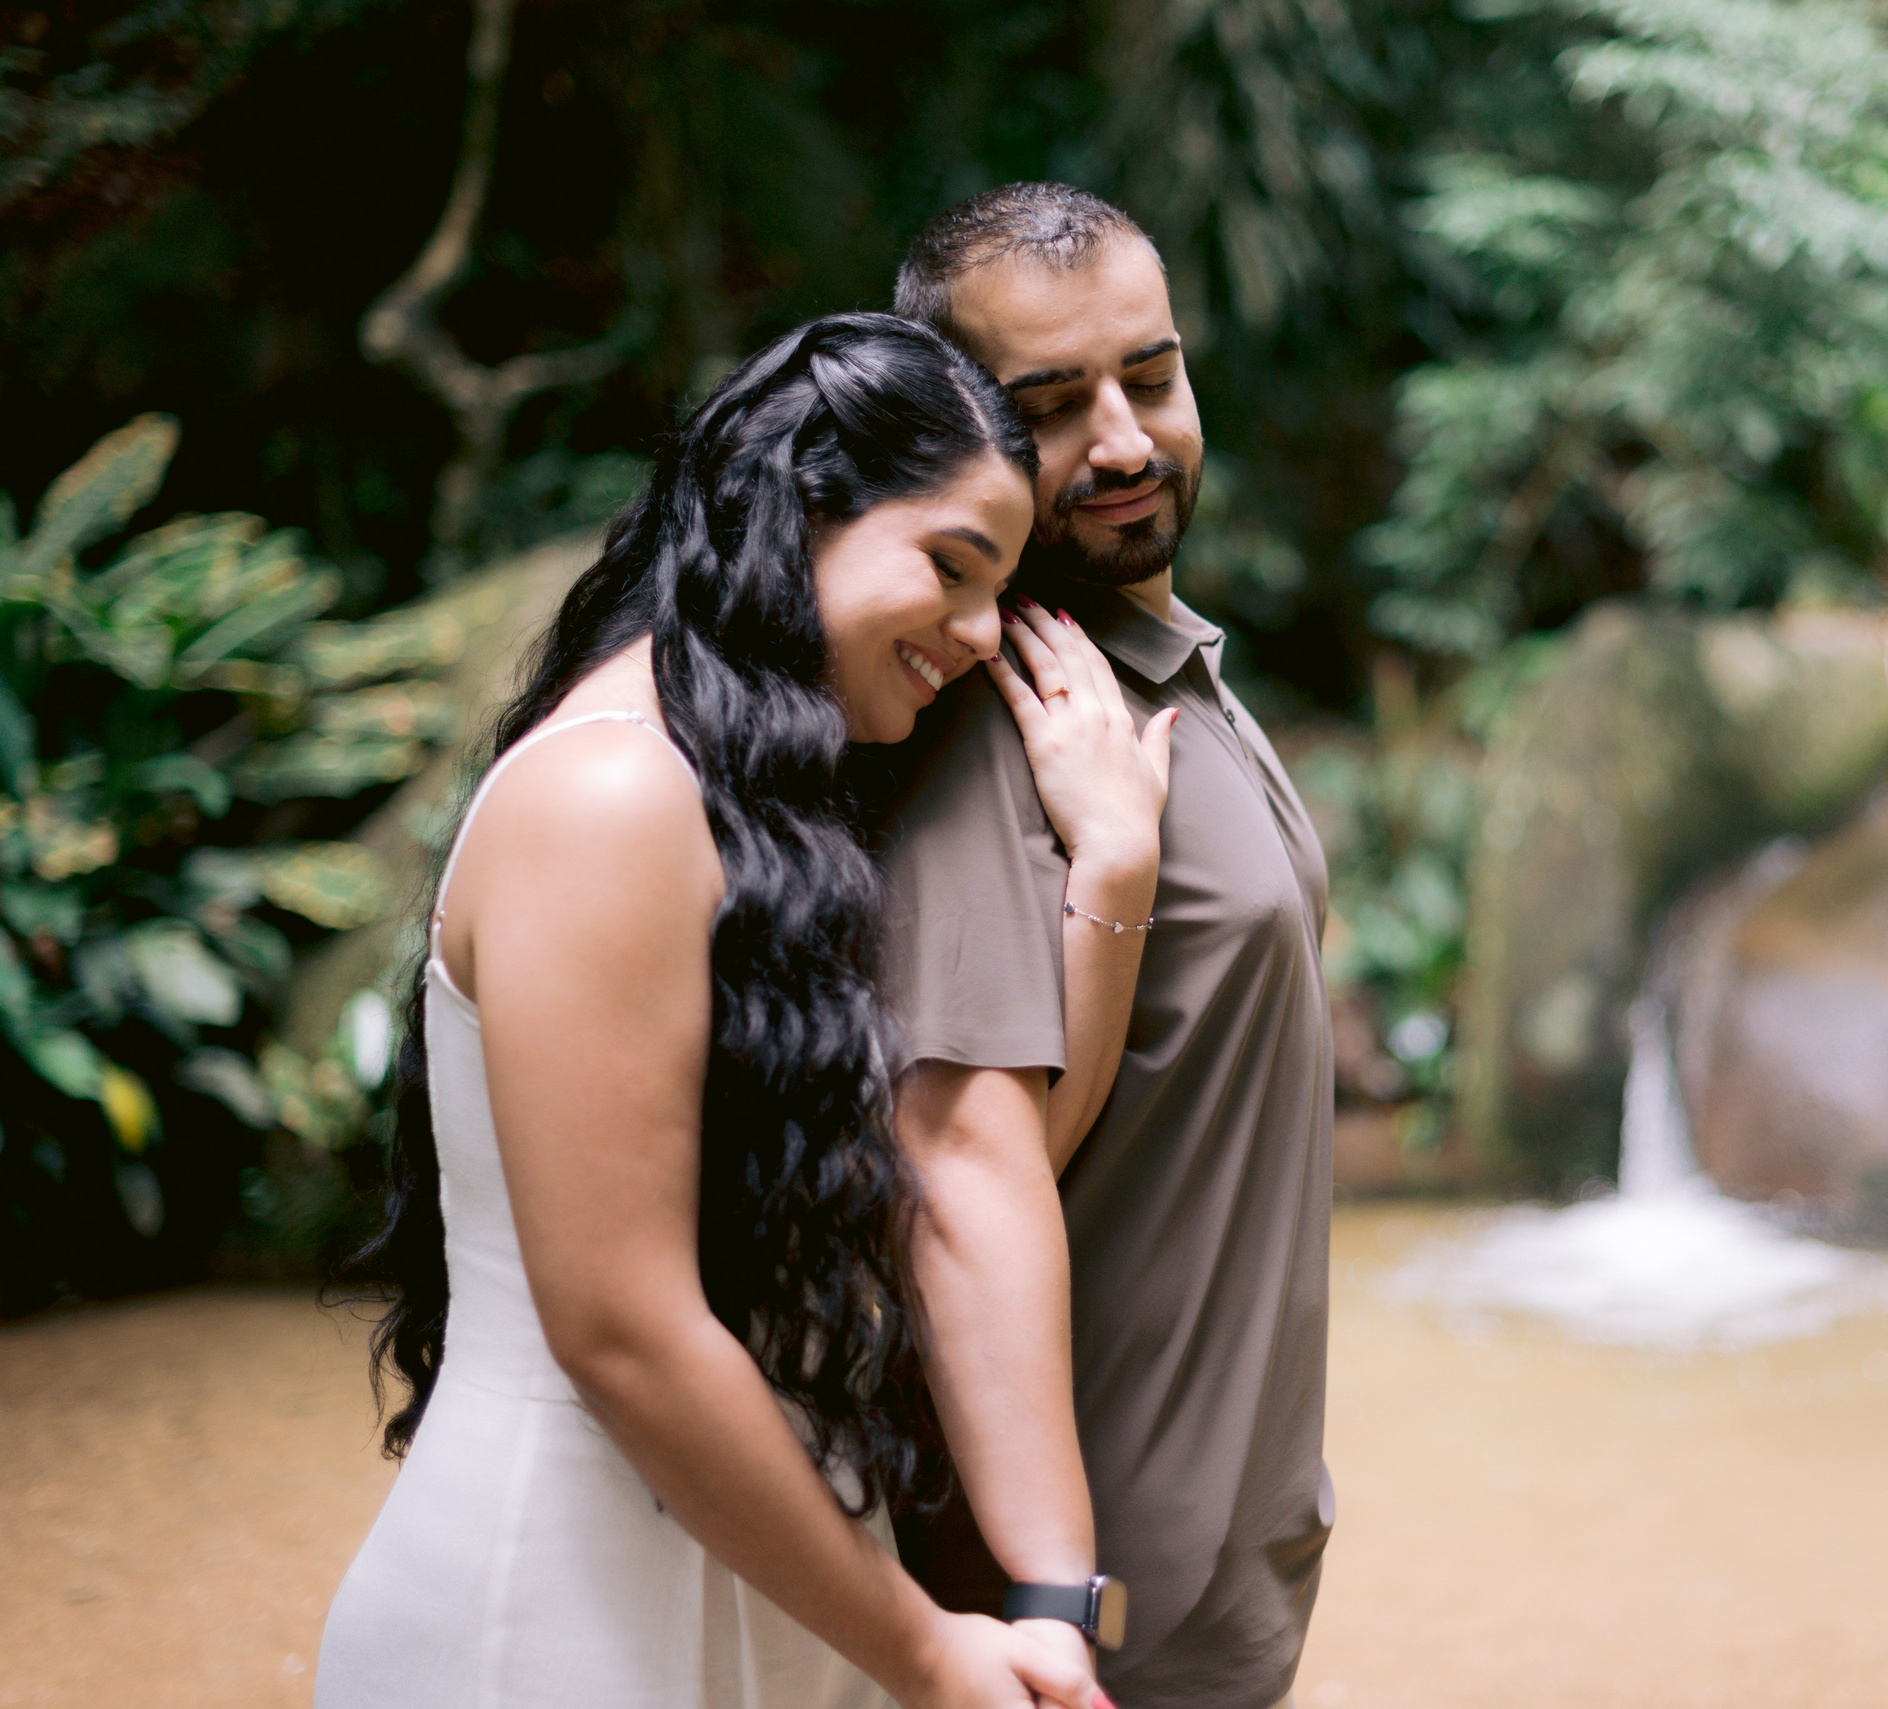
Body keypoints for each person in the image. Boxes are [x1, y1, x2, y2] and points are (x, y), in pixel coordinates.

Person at [315, 312, 1174, 1709]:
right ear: (797, 504)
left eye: (1000, 590)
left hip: (765, 1578)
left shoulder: (755, 814)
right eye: (951, 567)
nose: (974, 634)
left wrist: (1112, 875)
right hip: (557, 1612)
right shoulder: (609, 798)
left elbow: (960, 1176)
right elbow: (623, 1328)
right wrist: (925, 1647)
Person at [879, 184, 1335, 1709]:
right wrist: (1047, 1598)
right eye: (1054, 404)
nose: (1128, 439)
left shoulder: (1146, 660)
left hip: (1212, 1558)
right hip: (1085, 1608)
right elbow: (952, 1172)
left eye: (1151, 374)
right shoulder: (983, 719)